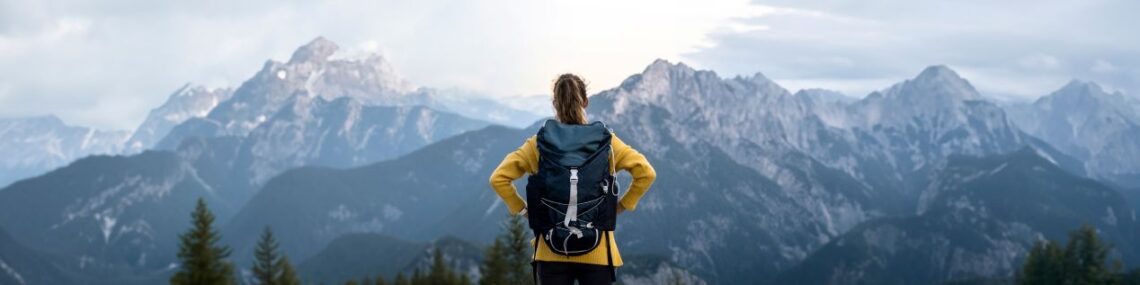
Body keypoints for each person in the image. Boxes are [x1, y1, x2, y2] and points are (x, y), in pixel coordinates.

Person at [488, 73, 656, 285]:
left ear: (554, 104)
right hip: (599, 251)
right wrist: (621, 206)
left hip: (550, 251)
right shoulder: (607, 143)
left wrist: (524, 211)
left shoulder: (538, 144)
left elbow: (499, 179)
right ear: (585, 101)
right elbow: (646, 173)